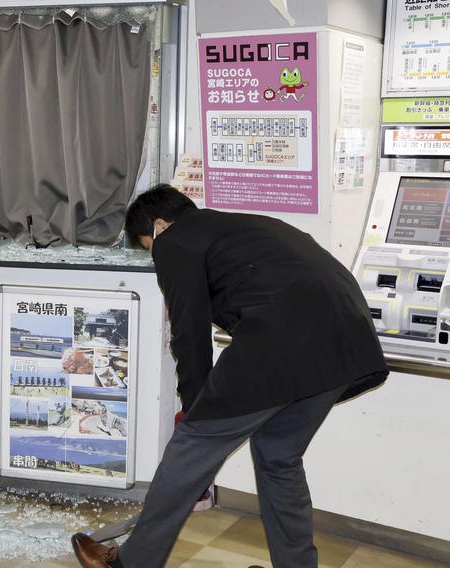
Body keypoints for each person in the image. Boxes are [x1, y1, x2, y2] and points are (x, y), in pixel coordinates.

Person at [72, 185, 388, 568]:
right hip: (347, 344)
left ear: (159, 225)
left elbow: (188, 334)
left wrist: (195, 410)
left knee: (189, 450)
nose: (157, 257)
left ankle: (129, 564)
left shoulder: (175, 241)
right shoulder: (247, 225)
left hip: (283, 342)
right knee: (278, 457)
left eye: (149, 246)